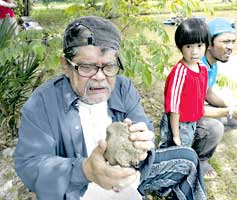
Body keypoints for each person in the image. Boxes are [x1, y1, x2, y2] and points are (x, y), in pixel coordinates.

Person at [13, 16, 207, 200]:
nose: (99, 77)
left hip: (129, 179)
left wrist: (143, 143)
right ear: (66, 64)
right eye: (87, 67)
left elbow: (143, 127)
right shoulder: (43, 102)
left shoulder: (123, 88)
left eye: (108, 66)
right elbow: (29, 165)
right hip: (76, 192)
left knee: (187, 159)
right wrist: (86, 170)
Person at [192, 17, 237, 179]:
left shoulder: (212, 62)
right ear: (209, 44)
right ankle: (201, 159)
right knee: (215, 127)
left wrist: (230, 106)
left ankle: (205, 139)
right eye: (225, 42)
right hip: (181, 117)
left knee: (234, 121)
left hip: (194, 109)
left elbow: (208, 93)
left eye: (233, 41)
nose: (230, 47)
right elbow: (195, 109)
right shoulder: (197, 67)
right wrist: (228, 111)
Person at [159, 18, 210, 149]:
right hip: (178, 123)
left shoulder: (202, 67)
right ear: (180, 47)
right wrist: (176, 135)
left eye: (199, 46)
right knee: (173, 150)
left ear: (206, 45)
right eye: (188, 46)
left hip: (192, 120)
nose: (194, 52)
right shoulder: (180, 73)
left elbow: (200, 96)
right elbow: (174, 107)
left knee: (185, 147)